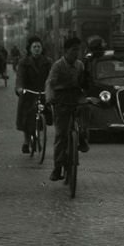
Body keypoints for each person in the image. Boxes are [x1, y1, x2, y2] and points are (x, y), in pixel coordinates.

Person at [45, 37, 89, 182]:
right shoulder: (57, 66)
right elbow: (50, 84)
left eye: (78, 50)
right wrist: (50, 99)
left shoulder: (80, 65)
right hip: (61, 100)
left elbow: (85, 83)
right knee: (61, 136)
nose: (76, 53)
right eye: (73, 50)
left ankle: (82, 136)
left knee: (85, 108)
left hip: (76, 98)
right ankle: (57, 168)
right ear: (66, 51)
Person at [15, 36, 53, 154]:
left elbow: (52, 77)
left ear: (42, 48)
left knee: (43, 114)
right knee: (26, 117)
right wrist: (20, 88)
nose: (37, 49)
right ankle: (26, 141)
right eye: (34, 47)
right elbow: (20, 77)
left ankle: (39, 133)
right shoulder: (24, 62)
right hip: (28, 93)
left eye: (39, 47)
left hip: (42, 91)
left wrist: (52, 88)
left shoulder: (48, 62)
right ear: (30, 49)